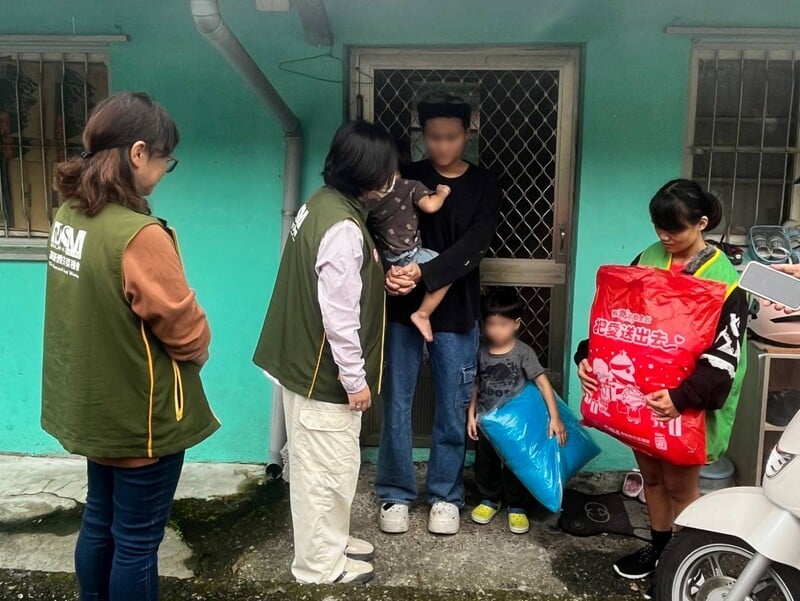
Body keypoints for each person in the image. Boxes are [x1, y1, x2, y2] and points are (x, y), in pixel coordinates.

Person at [41, 92, 220, 601]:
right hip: (141, 416)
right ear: (138, 153)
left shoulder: (69, 216)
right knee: (139, 542)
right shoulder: (139, 234)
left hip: (94, 407)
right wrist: (199, 342)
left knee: (99, 521)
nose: (165, 170)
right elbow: (185, 331)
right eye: (166, 159)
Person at [574, 179, 748, 595]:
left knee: (682, 489)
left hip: (685, 402)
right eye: (659, 228)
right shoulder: (646, 258)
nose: (665, 238)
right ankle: (660, 548)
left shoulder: (725, 281)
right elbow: (616, 320)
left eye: (676, 229)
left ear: (702, 223)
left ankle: (689, 563)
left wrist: (681, 397)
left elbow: (725, 358)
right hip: (641, 399)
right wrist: (587, 358)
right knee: (651, 478)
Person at [253, 120, 397, 585]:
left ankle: (330, 541)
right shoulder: (342, 227)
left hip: (299, 364)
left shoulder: (321, 204)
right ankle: (320, 566)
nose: (393, 177)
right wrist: (355, 382)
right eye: (388, 169)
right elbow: (339, 315)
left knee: (325, 465)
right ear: (370, 173)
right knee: (326, 471)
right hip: (322, 375)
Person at [375, 93, 500, 535]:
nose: (442, 146)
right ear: (421, 136)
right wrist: (392, 274)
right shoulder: (407, 175)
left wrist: (422, 273)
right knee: (398, 400)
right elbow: (383, 226)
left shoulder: (485, 182)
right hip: (401, 306)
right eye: (432, 137)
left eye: (450, 137)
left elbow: (473, 246)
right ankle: (395, 492)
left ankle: (446, 494)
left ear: (467, 134)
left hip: (457, 308)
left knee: (451, 404)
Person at [467, 287, 567, 534]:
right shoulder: (480, 350)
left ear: (516, 324)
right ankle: (489, 498)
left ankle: (516, 504)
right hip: (487, 422)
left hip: (516, 427)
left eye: (502, 324)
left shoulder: (523, 352)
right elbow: (475, 384)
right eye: (491, 324)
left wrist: (555, 418)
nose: (496, 330)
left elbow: (543, 383)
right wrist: (471, 416)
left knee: (516, 464)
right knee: (486, 462)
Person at [365, 172, 451, 341]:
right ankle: (423, 314)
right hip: (410, 254)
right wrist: (442, 192)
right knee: (444, 268)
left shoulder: (370, 193)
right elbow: (431, 206)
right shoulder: (411, 185)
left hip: (384, 259)